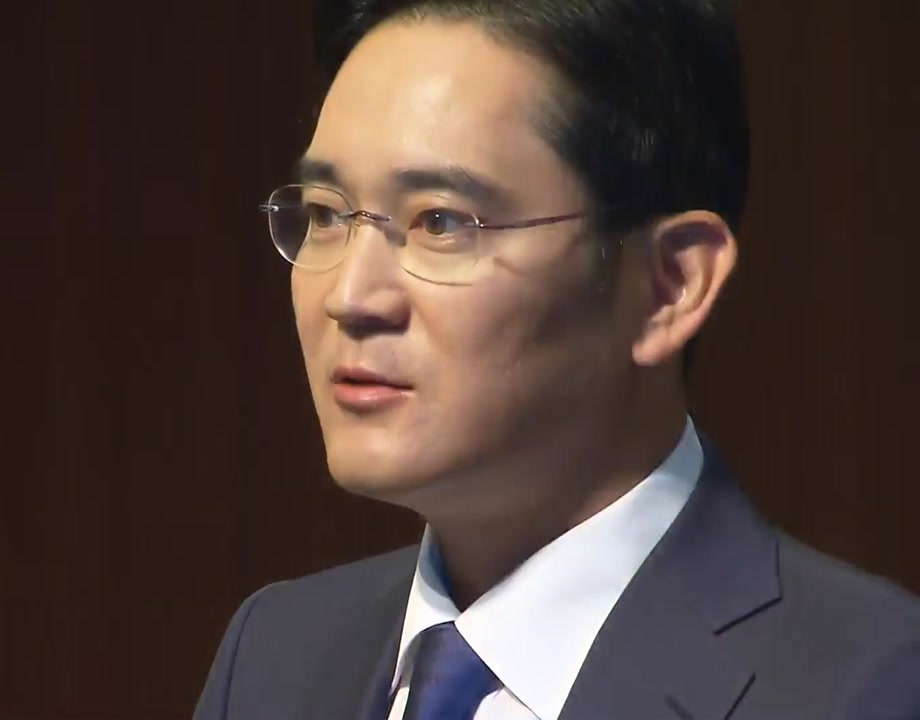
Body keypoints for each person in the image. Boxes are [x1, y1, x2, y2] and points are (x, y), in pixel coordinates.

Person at [194, 1, 920, 718]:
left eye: (441, 222)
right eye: (326, 214)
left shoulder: (870, 687)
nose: (349, 297)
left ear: (669, 286)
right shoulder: (275, 654)